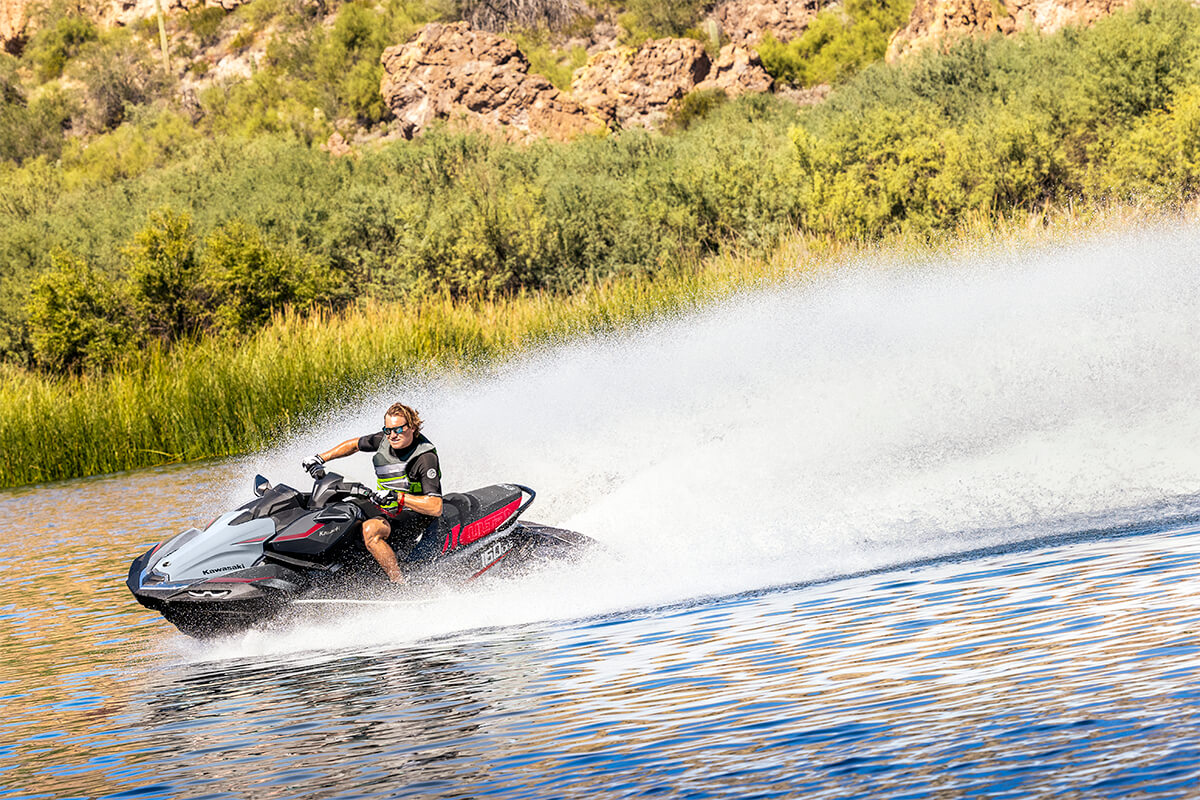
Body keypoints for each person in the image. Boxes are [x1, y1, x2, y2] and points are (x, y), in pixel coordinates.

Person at [301, 402, 442, 583]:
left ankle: (399, 583)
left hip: (415, 513)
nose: (392, 435)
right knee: (342, 513)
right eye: (388, 430)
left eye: (398, 430)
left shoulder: (424, 458)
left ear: (412, 427)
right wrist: (320, 458)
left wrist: (397, 496)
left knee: (371, 530)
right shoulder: (385, 439)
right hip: (387, 505)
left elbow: (435, 507)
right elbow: (354, 445)